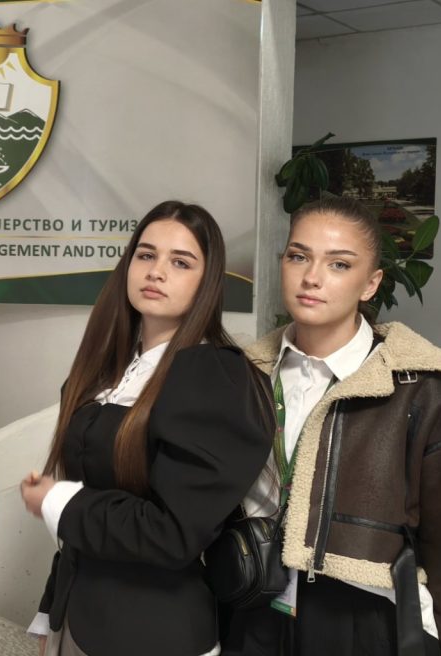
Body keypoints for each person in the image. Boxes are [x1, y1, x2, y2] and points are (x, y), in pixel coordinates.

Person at [223, 197, 441, 655]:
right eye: (298, 256)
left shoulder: (417, 387)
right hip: (255, 604)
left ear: (371, 284)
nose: (312, 277)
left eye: (339, 264)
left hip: (361, 619)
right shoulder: (247, 373)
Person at [20, 201, 274, 656]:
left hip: (155, 634)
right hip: (80, 623)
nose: (156, 271)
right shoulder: (109, 371)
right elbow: (91, 508)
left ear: (207, 282)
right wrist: (51, 611)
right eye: (146, 254)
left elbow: (173, 534)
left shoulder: (216, 375)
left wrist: (58, 499)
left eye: (180, 262)